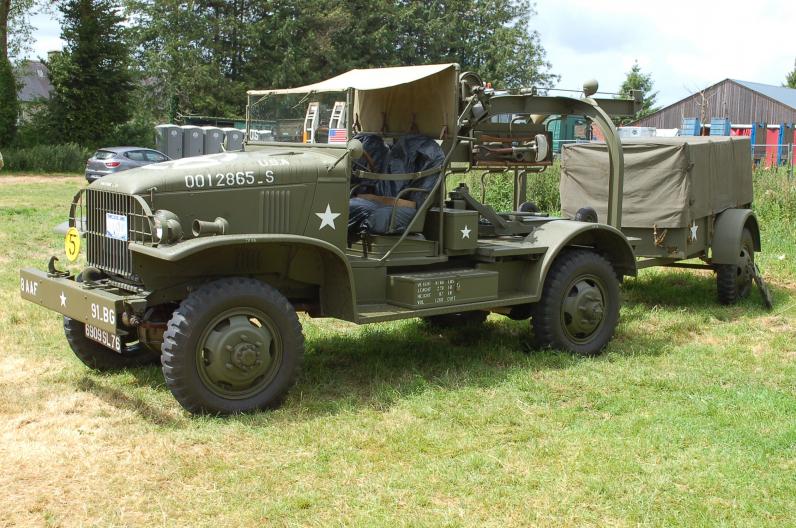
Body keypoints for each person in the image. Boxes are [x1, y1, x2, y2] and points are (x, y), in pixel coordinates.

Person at [348, 134, 444, 236]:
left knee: (374, 213)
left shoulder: (426, 151)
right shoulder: (372, 142)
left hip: (400, 201)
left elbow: (411, 200)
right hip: (383, 197)